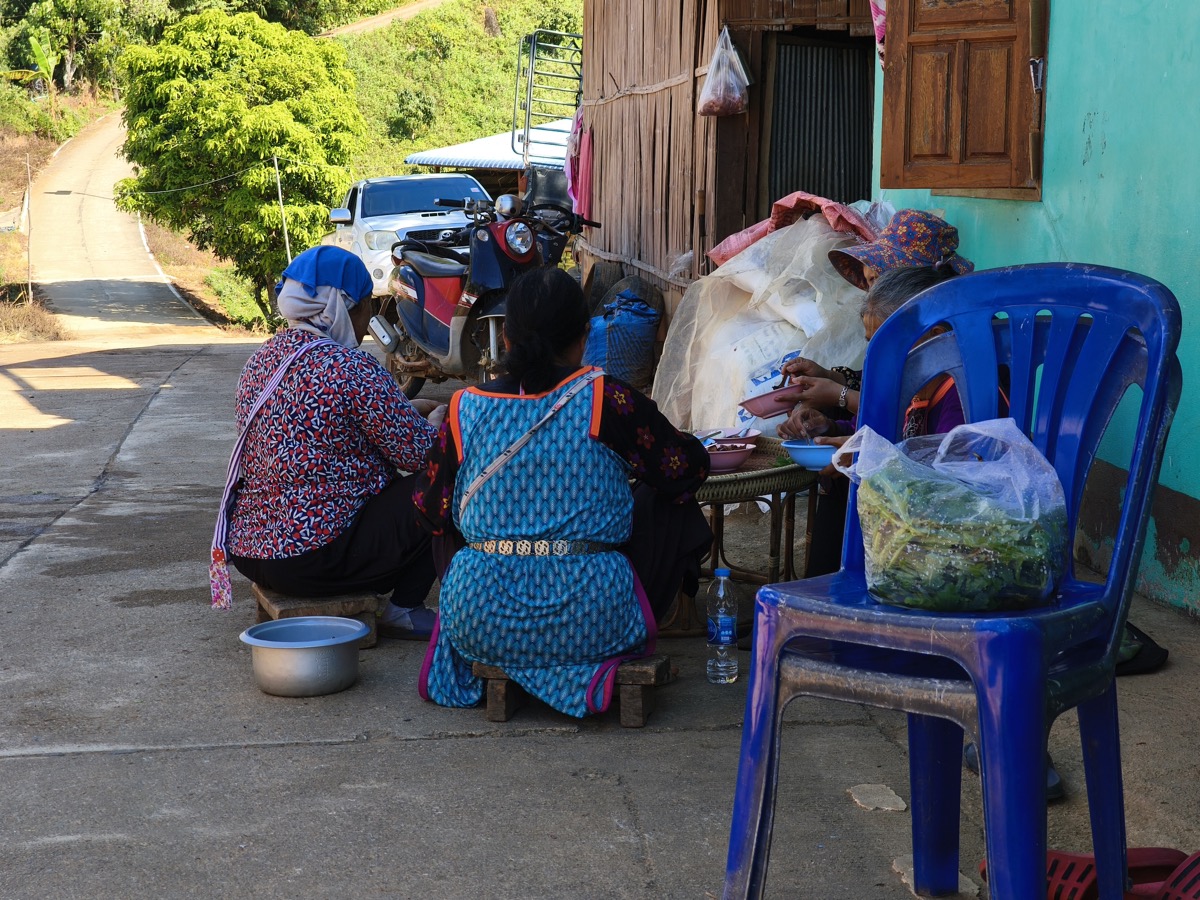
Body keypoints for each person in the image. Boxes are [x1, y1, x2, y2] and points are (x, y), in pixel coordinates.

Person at [414, 267, 711, 718]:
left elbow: (427, 510)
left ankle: (501, 639)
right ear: (585, 334)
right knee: (672, 502)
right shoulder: (606, 399)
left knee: (443, 508)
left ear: (507, 339)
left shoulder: (463, 407)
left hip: (481, 620)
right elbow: (687, 468)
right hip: (593, 619)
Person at [209, 245, 443, 639]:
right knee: (444, 477)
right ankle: (403, 608)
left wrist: (401, 407)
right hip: (318, 557)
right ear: (342, 306)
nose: (369, 319)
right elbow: (419, 452)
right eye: (367, 304)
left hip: (255, 552)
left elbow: (322, 431)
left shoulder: (261, 360)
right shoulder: (351, 367)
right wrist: (436, 422)